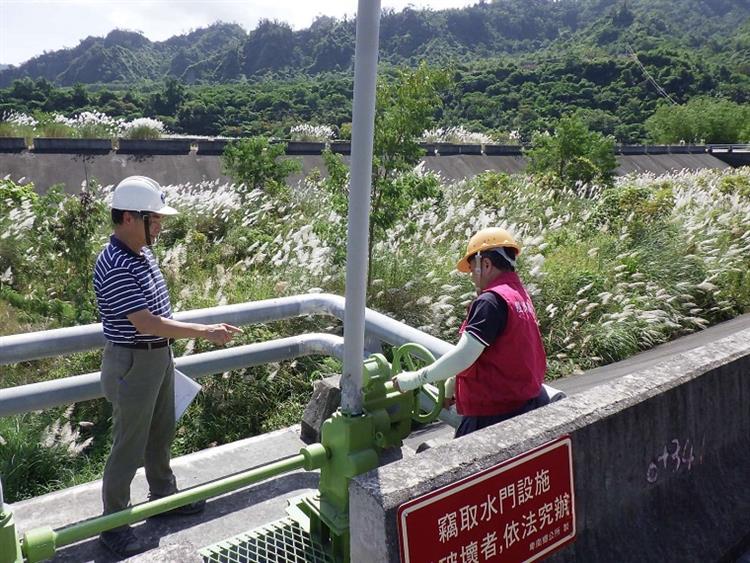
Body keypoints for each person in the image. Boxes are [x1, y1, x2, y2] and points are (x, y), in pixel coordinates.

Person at [93, 175, 242, 558]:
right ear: (128, 217)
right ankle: (113, 525)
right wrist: (203, 331)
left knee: (161, 432)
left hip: (157, 355)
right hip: (133, 360)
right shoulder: (114, 261)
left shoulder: (142, 253)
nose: (159, 225)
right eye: (153, 218)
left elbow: (156, 321)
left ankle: (163, 494)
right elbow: (146, 322)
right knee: (128, 445)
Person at [393, 227, 555, 438]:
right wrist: (452, 387)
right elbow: (486, 352)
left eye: (472, 270)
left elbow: (464, 355)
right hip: (530, 403)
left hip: (496, 417)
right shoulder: (518, 295)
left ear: (485, 264)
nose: (472, 278)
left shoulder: (490, 301)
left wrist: (414, 379)